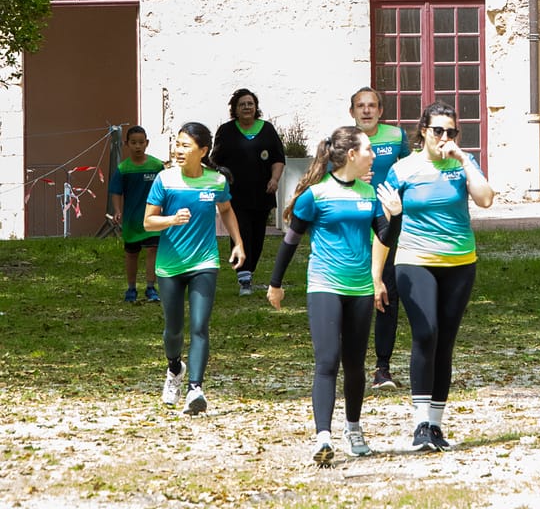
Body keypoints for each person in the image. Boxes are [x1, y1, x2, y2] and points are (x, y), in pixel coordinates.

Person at [267, 126, 402, 466]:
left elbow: (385, 238)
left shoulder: (369, 193)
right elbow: (290, 242)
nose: (374, 154)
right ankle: (323, 437)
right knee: (327, 361)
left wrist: (396, 216)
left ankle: (353, 429)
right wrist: (275, 283)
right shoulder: (316, 195)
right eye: (369, 149)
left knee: (355, 365)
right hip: (324, 285)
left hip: (360, 289)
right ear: (352, 155)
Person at [375, 101, 494, 452]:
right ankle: (420, 424)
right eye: (438, 130)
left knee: (445, 341)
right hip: (414, 259)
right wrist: (377, 276)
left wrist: (464, 160)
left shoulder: (462, 165)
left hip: (460, 263)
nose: (445, 137)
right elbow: (384, 227)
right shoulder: (403, 170)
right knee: (425, 333)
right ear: (423, 131)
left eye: (451, 132)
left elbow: (485, 199)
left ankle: (437, 426)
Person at [144, 121, 245, 415]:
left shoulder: (216, 182)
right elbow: (148, 221)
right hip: (170, 266)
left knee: (200, 327)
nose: (178, 150)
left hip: (204, 263)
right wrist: (171, 220)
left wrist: (238, 243)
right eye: (177, 143)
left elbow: (226, 210)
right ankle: (175, 368)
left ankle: (195, 389)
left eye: (185, 145)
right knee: (173, 330)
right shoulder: (164, 180)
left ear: (203, 151)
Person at [348, 85, 411, 389]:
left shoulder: (396, 137)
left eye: (372, 105)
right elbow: (324, 177)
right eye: (361, 106)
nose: (367, 110)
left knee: (387, 291)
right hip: (353, 222)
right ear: (352, 112)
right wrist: (352, 178)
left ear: (380, 110)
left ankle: (382, 369)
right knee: (353, 294)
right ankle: (350, 363)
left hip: (387, 223)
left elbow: (411, 169)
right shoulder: (342, 140)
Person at [211, 88, 285, 295]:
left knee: (257, 236)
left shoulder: (267, 129)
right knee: (240, 231)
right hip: (235, 194)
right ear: (235, 108)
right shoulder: (226, 131)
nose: (246, 107)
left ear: (256, 107)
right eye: (242, 104)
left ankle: (249, 271)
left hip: (262, 192)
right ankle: (244, 278)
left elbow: (278, 158)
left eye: (250, 103)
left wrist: (274, 179)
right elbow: (216, 160)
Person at [109, 125, 165, 303]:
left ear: (147, 143)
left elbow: (167, 189)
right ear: (127, 144)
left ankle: (151, 287)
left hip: (154, 218)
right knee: (131, 254)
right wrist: (118, 211)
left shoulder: (157, 166)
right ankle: (131, 288)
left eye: (141, 142)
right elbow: (116, 192)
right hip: (132, 220)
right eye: (133, 143)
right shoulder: (123, 168)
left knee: (153, 250)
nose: (138, 146)